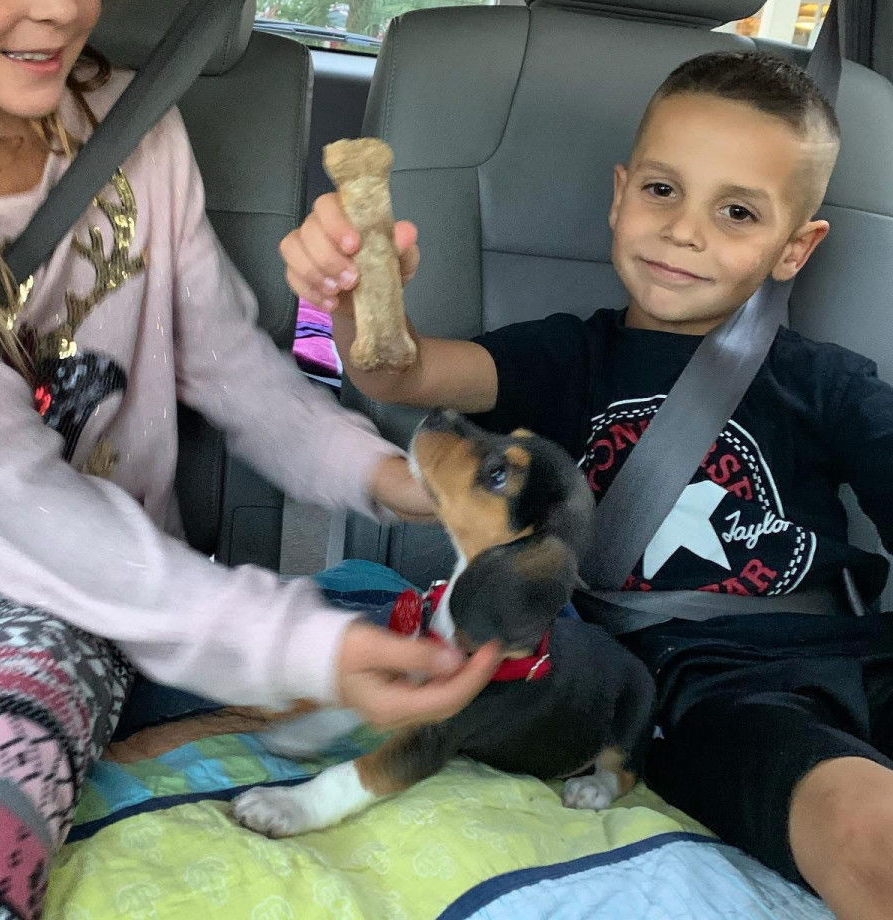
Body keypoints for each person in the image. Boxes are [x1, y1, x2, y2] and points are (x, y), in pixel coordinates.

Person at [0, 0, 504, 915]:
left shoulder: (135, 133)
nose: (62, 4)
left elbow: (230, 368)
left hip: (67, 580)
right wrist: (293, 643)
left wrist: (395, 479)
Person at [285, 49, 893, 920]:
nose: (684, 231)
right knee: (866, 830)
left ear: (796, 247)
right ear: (619, 194)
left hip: (859, 646)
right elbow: (400, 371)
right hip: (705, 687)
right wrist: (358, 298)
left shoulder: (828, 382)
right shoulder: (570, 356)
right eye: (661, 190)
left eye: (736, 212)